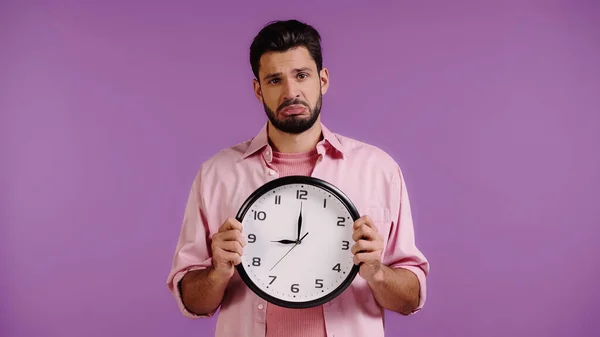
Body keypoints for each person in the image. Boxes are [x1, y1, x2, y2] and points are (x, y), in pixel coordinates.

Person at [166, 19, 430, 337]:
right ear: (258, 89)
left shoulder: (378, 170)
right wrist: (218, 272)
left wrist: (376, 272)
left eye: (301, 76)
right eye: (275, 80)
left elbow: (410, 298)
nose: (291, 92)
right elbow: (194, 302)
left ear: (323, 80)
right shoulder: (217, 174)